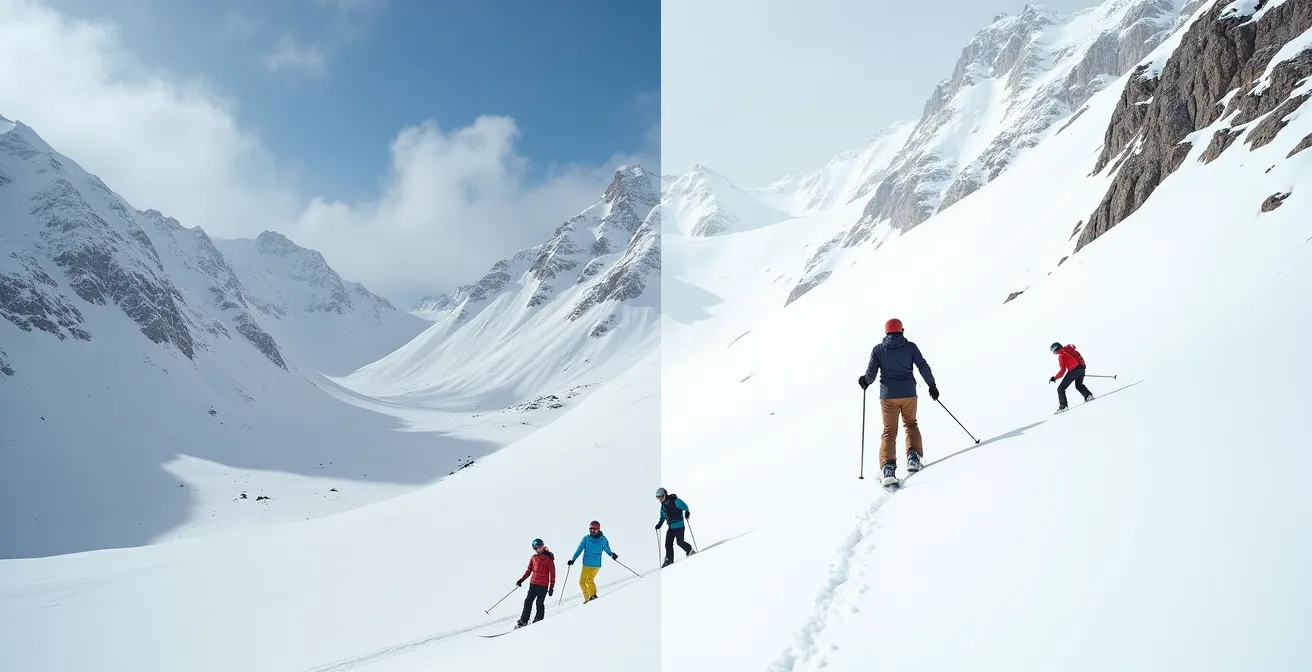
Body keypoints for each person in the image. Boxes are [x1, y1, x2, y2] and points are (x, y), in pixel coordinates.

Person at [858, 318, 939, 486]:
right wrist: (932, 385)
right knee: (911, 424)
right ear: (901, 331)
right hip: (908, 394)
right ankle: (913, 458)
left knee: (889, 431)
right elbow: (922, 366)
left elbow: (871, 375)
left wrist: (864, 381)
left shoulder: (878, 350)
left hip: (888, 397)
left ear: (886, 332)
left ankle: (888, 468)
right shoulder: (911, 347)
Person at [567, 520, 617, 603]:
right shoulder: (586, 539)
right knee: (584, 581)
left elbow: (607, 549)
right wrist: (573, 559)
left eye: (594, 529)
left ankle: (591, 597)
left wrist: (612, 555)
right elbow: (579, 549)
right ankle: (589, 598)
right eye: (591, 529)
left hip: (594, 564)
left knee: (587, 580)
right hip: (588, 564)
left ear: (598, 529)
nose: (592, 531)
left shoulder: (602, 539)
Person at [514, 538, 556, 628]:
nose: (537, 549)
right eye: (535, 548)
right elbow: (529, 571)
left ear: (542, 546)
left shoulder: (548, 559)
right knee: (528, 602)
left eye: (538, 547)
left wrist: (551, 587)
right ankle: (523, 620)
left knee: (539, 603)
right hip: (533, 584)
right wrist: (521, 580)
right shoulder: (533, 558)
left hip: (543, 586)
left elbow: (552, 574)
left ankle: (538, 620)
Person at [654, 487, 695, 567]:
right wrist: (659, 524)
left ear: (665, 494)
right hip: (671, 527)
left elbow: (685, 506)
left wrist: (687, 512)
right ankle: (669, 560)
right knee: (668, 544)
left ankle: (690, 550)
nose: (660, 499)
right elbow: (663, 516)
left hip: (679, 525)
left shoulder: (675, 501)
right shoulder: (663, 506)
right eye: (658, 498)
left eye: (661, 497)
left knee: (680, 542)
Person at [1049, 342, 1094, 412]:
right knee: (1079, 385)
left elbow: (1062, 370)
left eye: (1053, 349)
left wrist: (1055, 378)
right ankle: (1088, 396)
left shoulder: (1061, 355)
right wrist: (1080, 369)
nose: (1053, 351)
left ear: (1056, 348)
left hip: (1074, 370)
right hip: (1081, 368)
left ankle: (1063, 406)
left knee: (1060, 388)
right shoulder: (1070, 349)